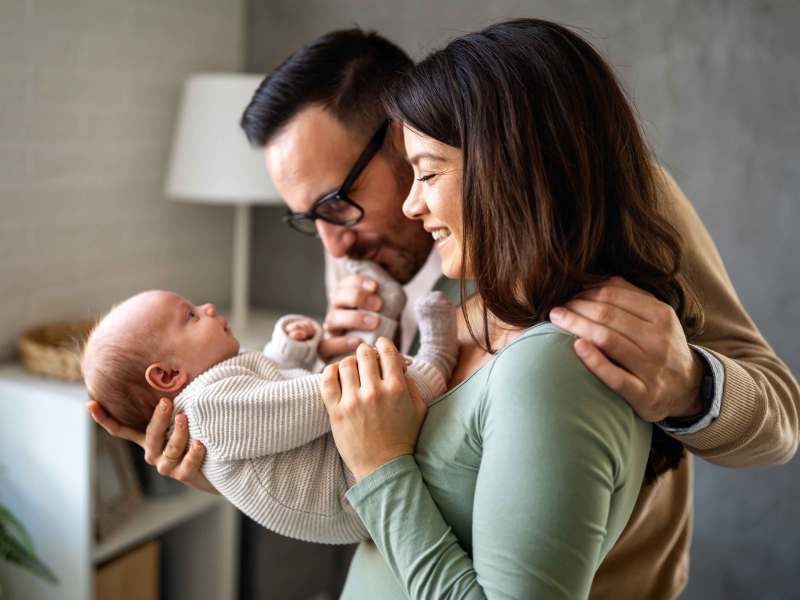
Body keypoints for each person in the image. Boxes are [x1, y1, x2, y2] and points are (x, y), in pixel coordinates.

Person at [86, 25, 799, 599]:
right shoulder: (358, 242)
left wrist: (689, 387)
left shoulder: (609, 204)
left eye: (339, 203)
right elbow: (384, 468)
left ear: (404, 134)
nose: (336, 243)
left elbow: (778, 421)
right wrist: (240, 454)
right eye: (308, 219)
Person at [81, 285, 457, 544]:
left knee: (362, 385)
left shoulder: (219, 393)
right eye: (191, 316)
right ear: (168, 375)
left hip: (346, 475)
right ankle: (435, 365)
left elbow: (270, 385)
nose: (209, 309)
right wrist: (355, 377)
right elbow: (290, 407)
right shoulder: (209, 412)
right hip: (348, 494)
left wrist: (289, 347)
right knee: (381, 389)